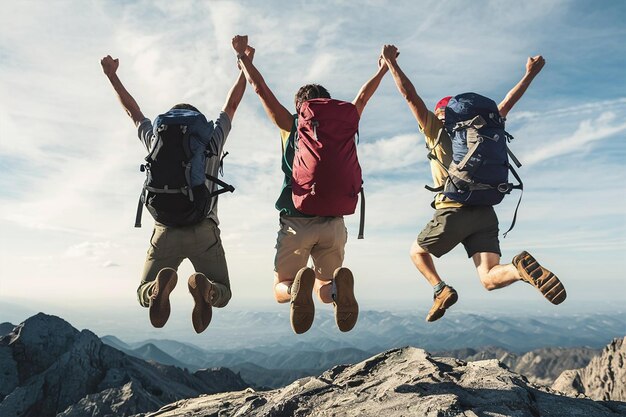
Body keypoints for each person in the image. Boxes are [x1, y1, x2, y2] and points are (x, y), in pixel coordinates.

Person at [381, 44, 566, 322]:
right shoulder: (485, 125)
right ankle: (518, 270)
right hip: (485, 210)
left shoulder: (435, 129)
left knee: (417, 253)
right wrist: (530, 74)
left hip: (453, 208)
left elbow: (410, 95)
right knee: (489, 279)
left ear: (442, 115)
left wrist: (391, 63)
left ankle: (440, 289)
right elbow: (507, 102)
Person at [232, 35, 388, 334]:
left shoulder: (291, 124)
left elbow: (260, 90)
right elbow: (363, 97)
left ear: (299, 107)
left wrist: (244, 58)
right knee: (326, 283)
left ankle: (293, 292)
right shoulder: (345, 122)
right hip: (334, 220)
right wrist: (382, 69)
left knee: (282, 284)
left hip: (295, 218)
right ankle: (336, 293)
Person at [100, 43, 252, 333]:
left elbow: (133, 112)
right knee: (224, 292)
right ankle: (207, 291)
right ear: (198, 125)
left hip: (164, 228)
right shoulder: (211, 140)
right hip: (202, 228)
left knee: (143, 289)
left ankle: (157, 290)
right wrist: (244, 63)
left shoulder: (154, 139)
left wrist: (112, 76)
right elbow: (231, 105)